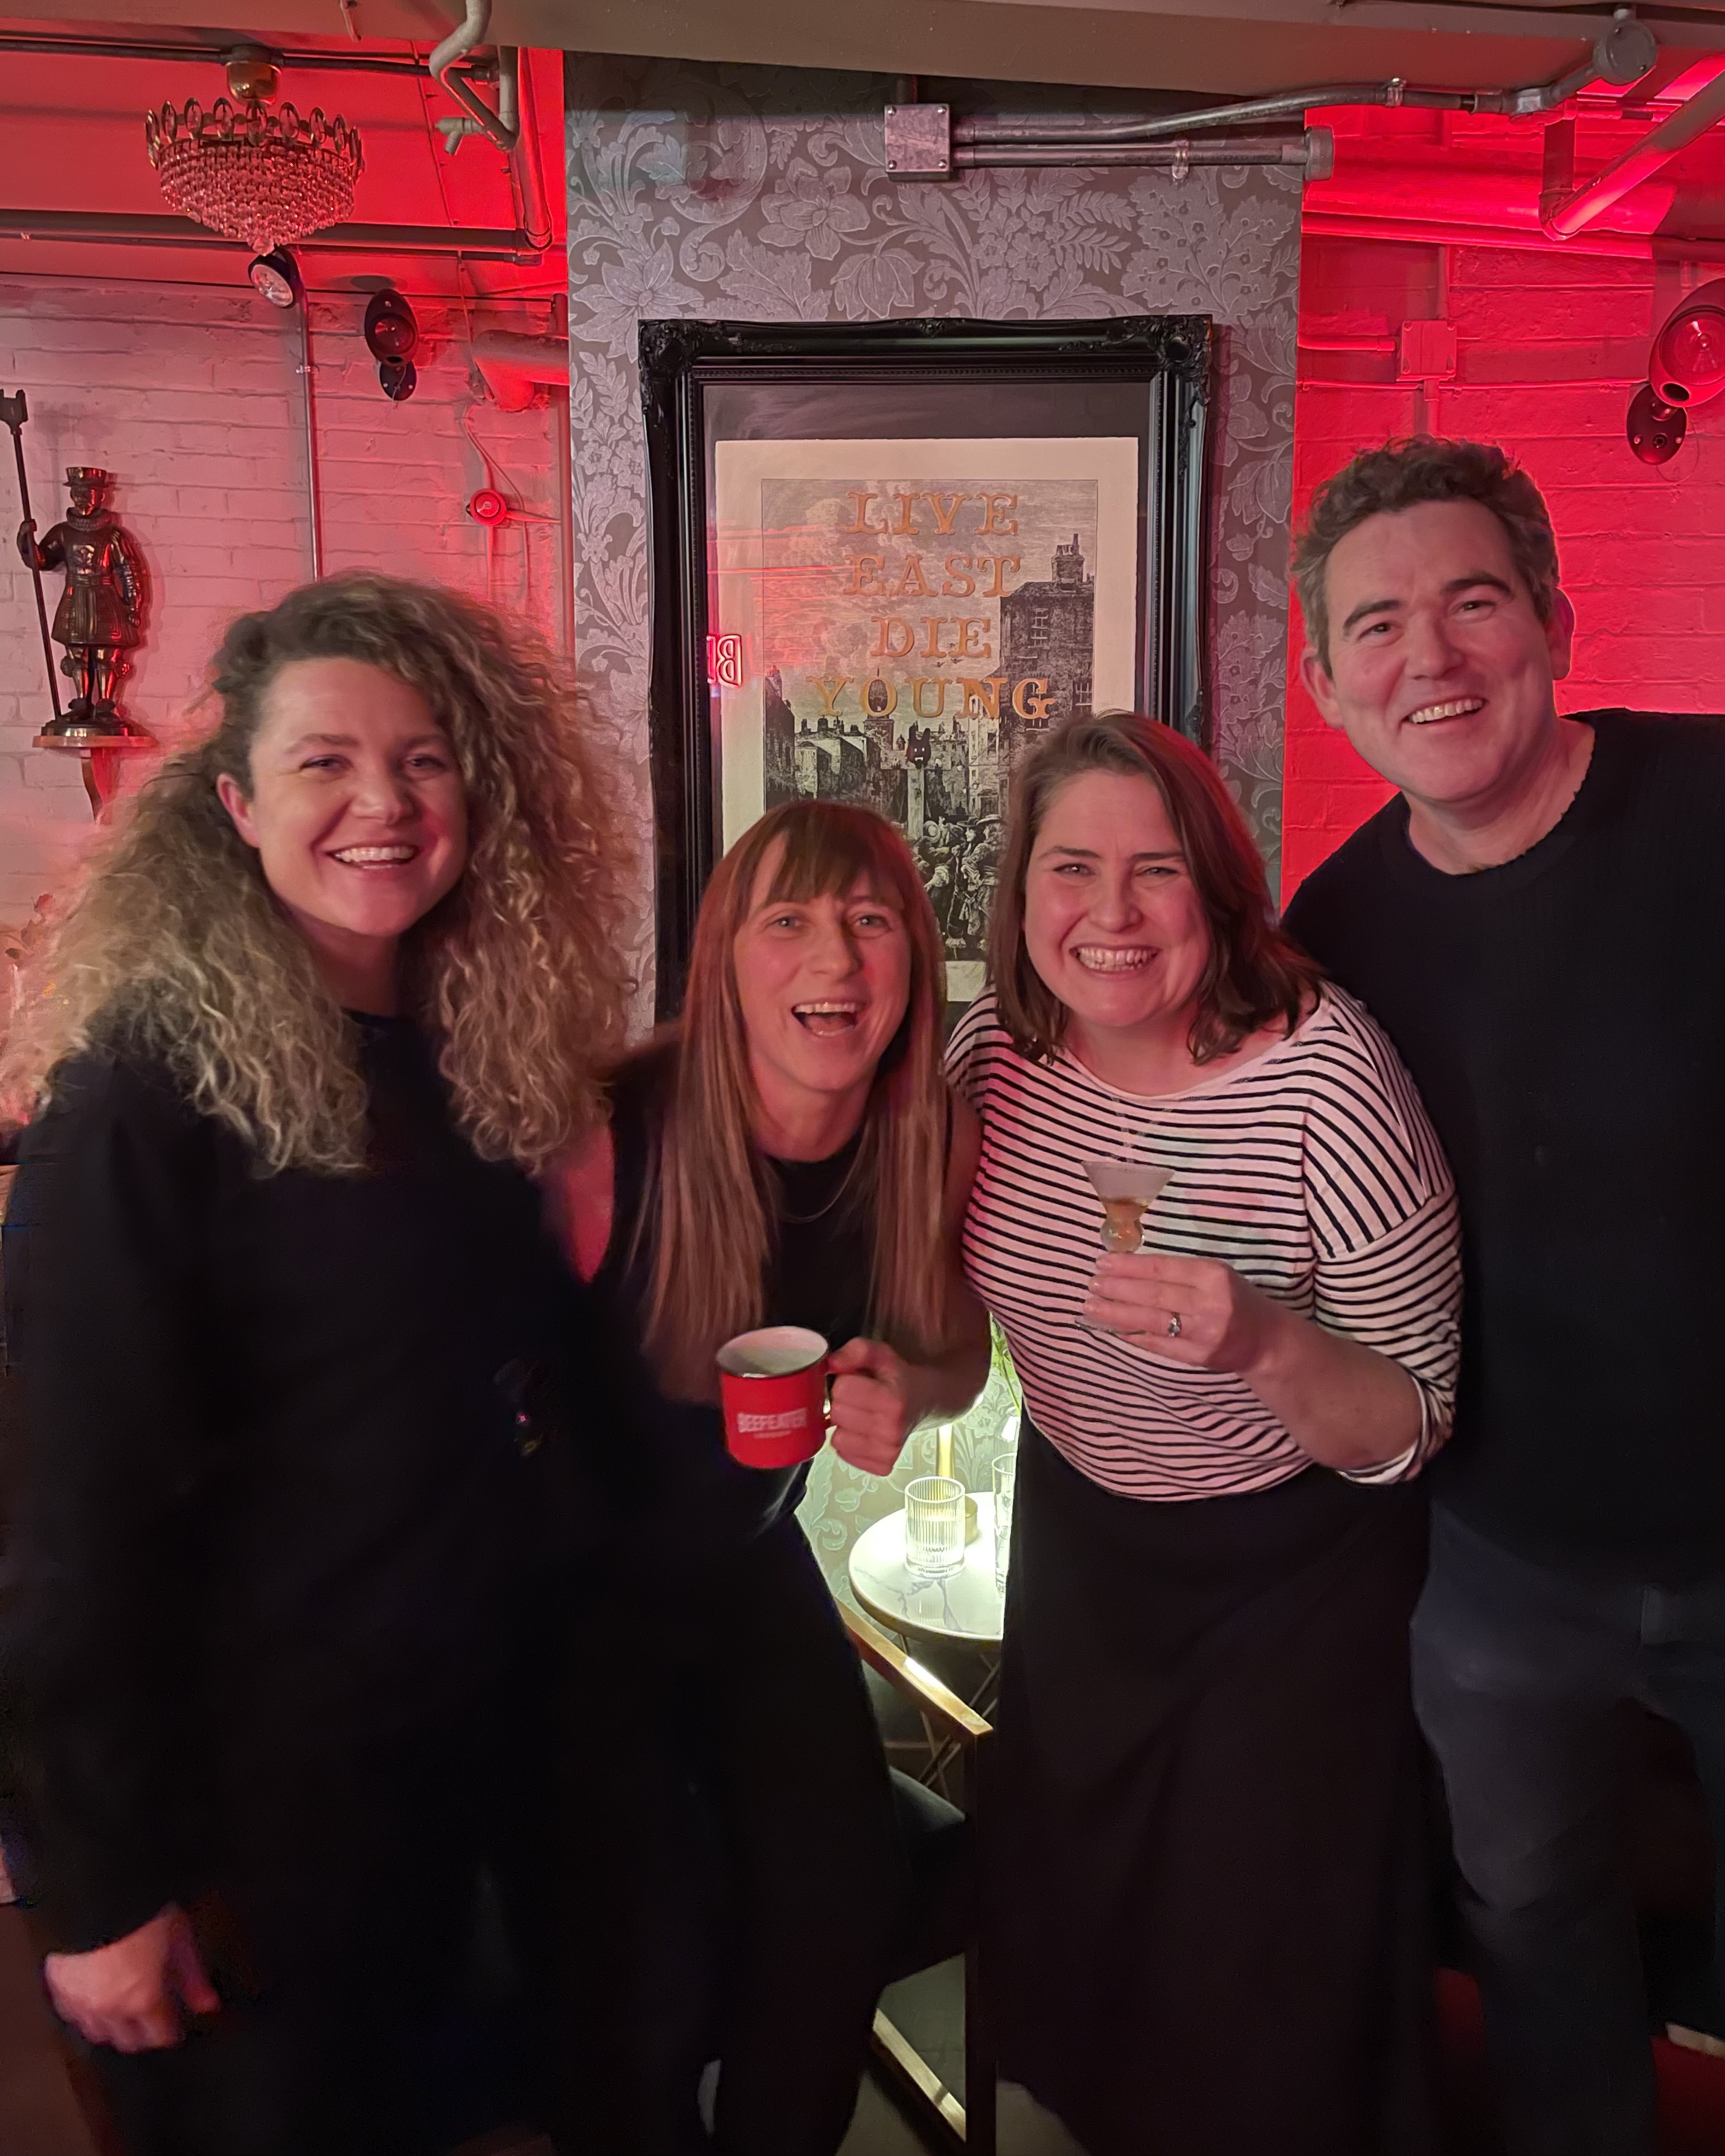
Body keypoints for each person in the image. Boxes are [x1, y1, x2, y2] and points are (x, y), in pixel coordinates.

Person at [0, 573, 633, 2155]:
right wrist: (100, 1885)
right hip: (259, 1805)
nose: (384, 804)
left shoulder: (468, 1046)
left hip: (461, 1757)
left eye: (424, 760)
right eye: (325, 763)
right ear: (236, 805)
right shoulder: (140, 1096)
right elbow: (74, 1514)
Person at [1284, 436, 1725, 2156]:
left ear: (1552, 620)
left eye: (1472, 602)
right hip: (1497, 1569)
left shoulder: (1709, 805)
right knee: (1534, 1940)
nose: (1432, 657)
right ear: (1329, 688)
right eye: (1377, 626)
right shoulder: (1337, 929)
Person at [949, 710, 1462, 2156]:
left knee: (1252, 1966)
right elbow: (938, 1315)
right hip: (1082, 1550)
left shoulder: (1326, 1079)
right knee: (1093, 1920)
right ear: (1022, 890)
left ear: (1219, 891)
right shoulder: (992, 1054)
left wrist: (1263, 1342)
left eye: (1156, 870)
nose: (1110, 914)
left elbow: (1417, 1412)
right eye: (1072, 868)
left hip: (1287, 1579)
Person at [550, 798, 990, 2156]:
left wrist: (914, 1391)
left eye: (870, 921)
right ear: (725, 959)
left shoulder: (926, 1132)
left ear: (913, 957)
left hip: (747, 1569)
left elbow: (958, 1349)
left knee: (842, 1904)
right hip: (571, 1602)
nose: (835, 960)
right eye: (788, 921)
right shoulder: (611, 1133)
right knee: (639, 1964)